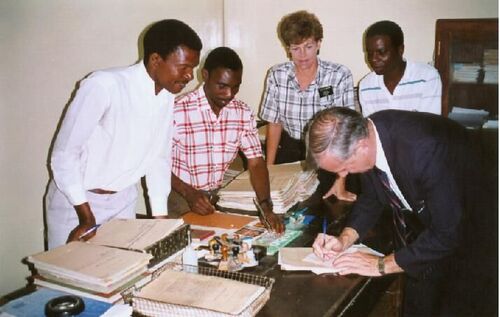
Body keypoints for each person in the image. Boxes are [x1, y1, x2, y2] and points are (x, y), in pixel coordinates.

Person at [310, 107, 496, 316]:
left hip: (480, 224)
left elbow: (448, 233)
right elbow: (372, 196)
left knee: (458, 306)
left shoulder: (424, 148)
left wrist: (380, 265)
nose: (342, 175)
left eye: (343, 167)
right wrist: (345, 238)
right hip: (430, 221)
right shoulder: (368, 133)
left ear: (361, 146)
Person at [45, 19, 202, 249]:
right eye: (184, 67)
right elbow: (63, 155)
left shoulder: (166, 96)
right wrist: (86, 216)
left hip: (122, 200)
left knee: (120, 277)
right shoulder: (104, 86)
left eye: (193, 68)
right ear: (155, 60)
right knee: (69, 279)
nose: (190, 76)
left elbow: (158, 158)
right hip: (77, 201)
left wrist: (159, 216)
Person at [169, 47, 284, 233]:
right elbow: (155, 164)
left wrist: (266, 206)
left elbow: (255, 162)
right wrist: (188, 193)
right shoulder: (178, 111)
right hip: (177, 196)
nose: (229, 94)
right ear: (205, 75)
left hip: (214, 197)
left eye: (235, 86)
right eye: (222, 86)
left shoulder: (242, 112)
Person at [259, 10, 356, 202]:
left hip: (329, 152)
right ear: (287, 48)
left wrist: (341, 180)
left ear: (319, 43)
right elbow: (274, 124)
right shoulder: (277, 75)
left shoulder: (339, 75)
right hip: (290, 150)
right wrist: (269, 170)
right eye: (296, 48)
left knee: (326, 204)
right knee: (284, 205)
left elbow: (347, 131)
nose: (303, 55)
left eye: (309, 46)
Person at [359, 20, 442, 117]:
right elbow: (372, 129)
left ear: (400, 50)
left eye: (381, 52)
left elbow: (430, 126)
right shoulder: (366, 86)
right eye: (369, 53)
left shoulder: (427, 77)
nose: (373, 59)